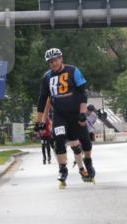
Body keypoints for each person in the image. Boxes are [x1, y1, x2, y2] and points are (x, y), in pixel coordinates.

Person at [35, 48, 96, 187]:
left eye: (56, 60)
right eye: (51, 62)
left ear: (61, 58)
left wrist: (82, 113)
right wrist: (39, 122)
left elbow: (83, 93)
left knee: (85, 141)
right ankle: (62, 169)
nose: (54, 63)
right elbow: (42, 100)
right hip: (60, 115)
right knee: (59, 139)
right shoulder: (46, 78)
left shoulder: (73, 71)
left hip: (76, 114)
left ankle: (88, 161)